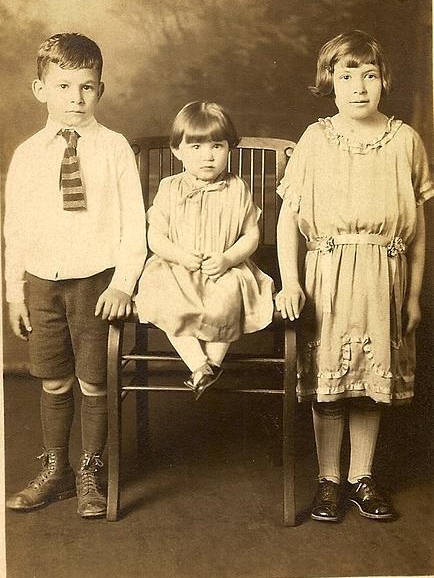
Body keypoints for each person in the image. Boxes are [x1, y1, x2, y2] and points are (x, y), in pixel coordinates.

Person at [275, 30, 434, 522]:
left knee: (369, 383)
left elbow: (419, 231)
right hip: (329, 275)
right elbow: (288, 219)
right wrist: (291, 281)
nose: (359, 87)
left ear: (384, 80)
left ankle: (362, 477)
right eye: (347, 76)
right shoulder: (316, 138)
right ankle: (328, 480)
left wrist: (412, 296)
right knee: (330, 384)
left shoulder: (404, 139)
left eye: (369, 75)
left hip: (383, 275)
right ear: (330, 82)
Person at [4, 33, 146, 518]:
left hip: (97, 283)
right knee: (54, 380)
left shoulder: (114, 148)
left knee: (94, 381)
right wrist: (14, 293)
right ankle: (56, 469)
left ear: (100, 89)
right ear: (39, 88)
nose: (75, 99)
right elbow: (14, 229)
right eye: (63, 87)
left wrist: (124, 282)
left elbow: (135, 224)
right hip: (43, 283)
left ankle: (91, 468)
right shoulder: (28, 154)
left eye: (86, 87)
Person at [135, 101, 274, 400]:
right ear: (178, 151)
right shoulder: (170, 187)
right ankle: (199, 365)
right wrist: (180, 256)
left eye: (217, 146)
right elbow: (155, 236)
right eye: (196, 147)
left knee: (230, 296)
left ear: (229, 149)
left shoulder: (238, 188)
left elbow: (251, 235)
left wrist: (228, 259)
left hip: (223, 268)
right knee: (163, 295)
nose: (208, 156)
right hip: (177, 266)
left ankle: (212, 364)